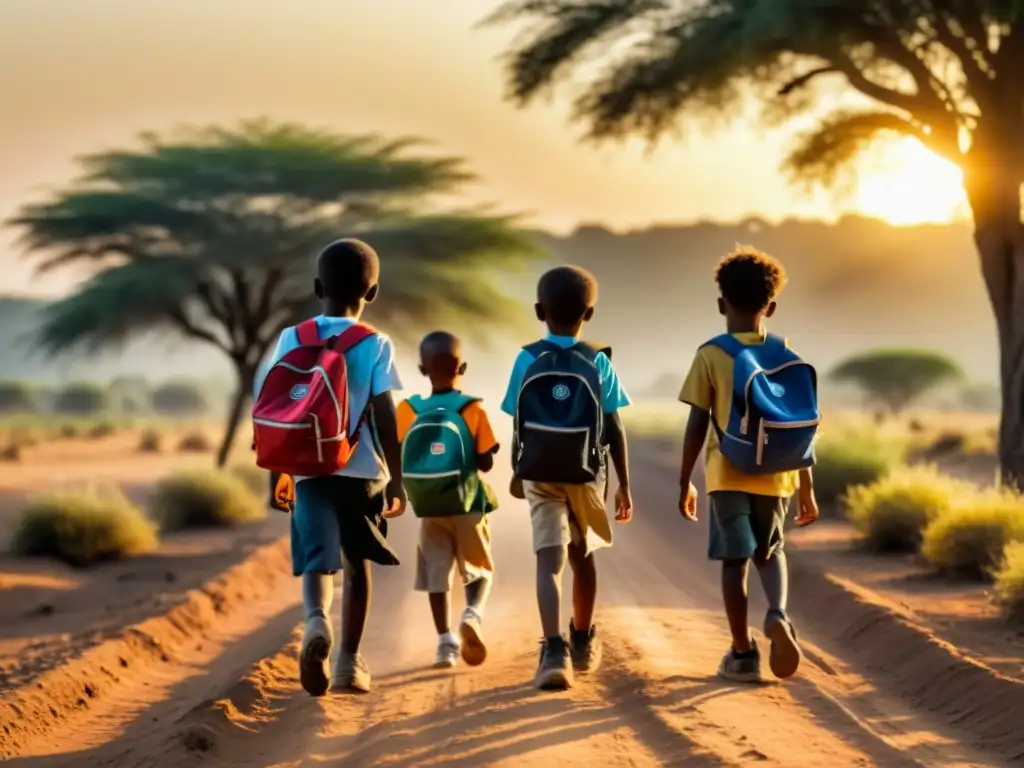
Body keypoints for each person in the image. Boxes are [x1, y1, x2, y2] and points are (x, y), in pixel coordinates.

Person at [253, 238, 406, 696]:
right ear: (373, 293)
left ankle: (317, 621)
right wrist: (396, 477)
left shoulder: (291, 337)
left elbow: (274, 409)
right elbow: (384, 411)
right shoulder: (376, 343)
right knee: (358, 566)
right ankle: (348, 664)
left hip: (305, 471)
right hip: (359, 471)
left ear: (318, 286)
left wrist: (275, 473)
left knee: (318, 562)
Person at [677, 246, 820, 684]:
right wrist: (807, 487)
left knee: (733, 562)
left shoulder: (710, 354)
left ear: (721, 304)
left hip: (727, 474)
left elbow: (697, 424)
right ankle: (777, 612)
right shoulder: (784, 351)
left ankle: (742, 653)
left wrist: (686, 481)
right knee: (771, 552)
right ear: (770, 307)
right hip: (777, 476)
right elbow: (798, 424)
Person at [501, 265, 633, 691]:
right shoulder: (597, 359)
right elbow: (613, 427)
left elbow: (517, 418)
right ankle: (581, 638)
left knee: (548, 560)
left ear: (539, 311)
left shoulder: (526, 358)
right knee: (583, 557)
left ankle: (553, 648)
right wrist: (624, 485)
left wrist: (515, 470)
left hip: (539, 472)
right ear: (588, 314)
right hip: (586, 472)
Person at [397, 331, 500, 669]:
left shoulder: (408, 410)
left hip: (430, 507)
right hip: (468, 503)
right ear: (463, 367)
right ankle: (472, 613)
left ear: (422, 369)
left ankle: (444, 643)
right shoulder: (471, 409)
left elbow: (396, 455)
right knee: (480, 569)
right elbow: (486, 461)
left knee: (436, 574)